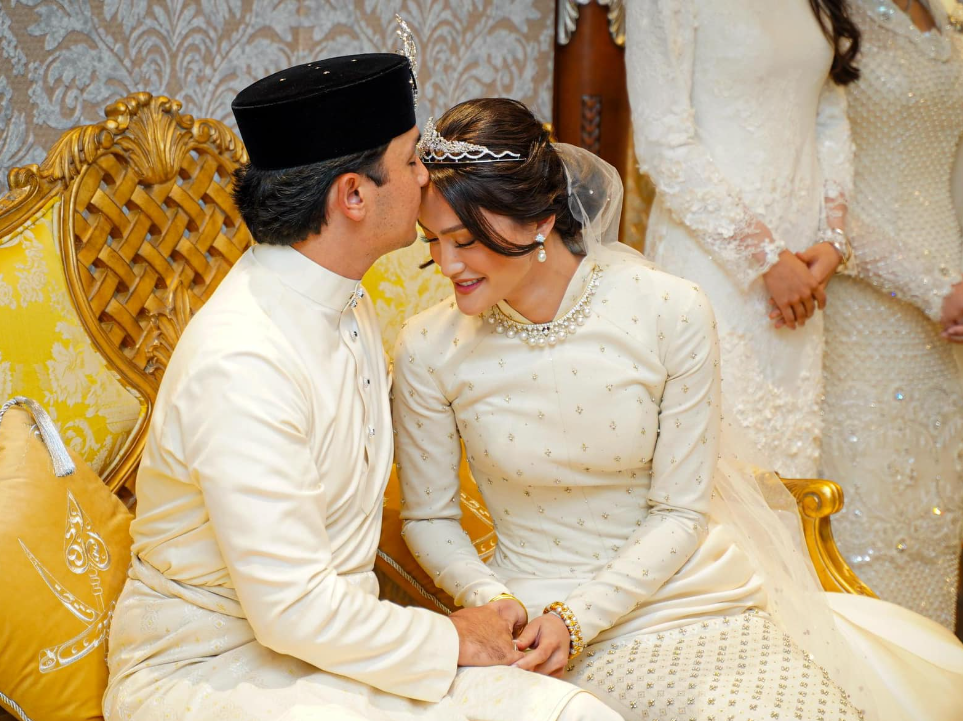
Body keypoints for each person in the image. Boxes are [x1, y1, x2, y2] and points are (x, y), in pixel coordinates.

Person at [393, 97, 963, 721]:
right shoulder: (429, 347)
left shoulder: (669, 310)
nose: (446, 264)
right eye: (433, 242)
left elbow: (679, 511)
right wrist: (492, 600)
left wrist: (579, 617)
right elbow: (429, 518)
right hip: (535, 622)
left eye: (466, 240)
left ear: (540, 220)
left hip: (692, 598)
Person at [101, 55, 618, 721]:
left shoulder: (345, 301)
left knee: (573, 713)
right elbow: (291, 609)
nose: (427, 174)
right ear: (353, 196)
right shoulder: (243, 360)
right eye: (410, 159)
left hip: (342, 654)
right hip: (211, 671)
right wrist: (453, 637)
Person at [625, 0, 860, 477]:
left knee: (787, 460)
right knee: (712, 465)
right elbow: (664, 143)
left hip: (804, 268)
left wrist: (833, 239)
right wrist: (766, 259)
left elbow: (830, 118)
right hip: (711, 257)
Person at [820, 0, 963, 630]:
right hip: (862, 302)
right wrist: (934, 288)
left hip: (950, 312)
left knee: (934, 507)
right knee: (871, 501)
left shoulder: (946, 16)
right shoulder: (829, 17)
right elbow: (820, 187)